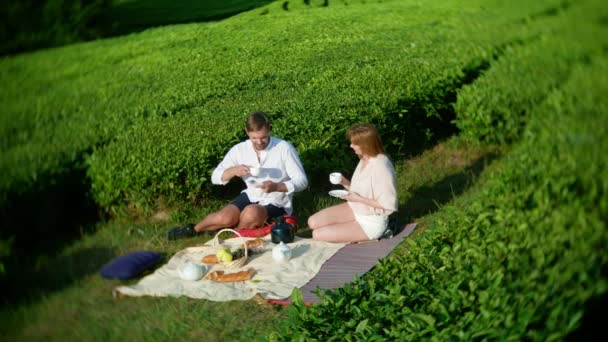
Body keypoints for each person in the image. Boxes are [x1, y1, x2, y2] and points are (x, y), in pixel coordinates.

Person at [168, 111, 308, 240]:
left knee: (251, 213)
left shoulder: (284, 148)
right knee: (224, 217)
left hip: (277, 200)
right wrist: (233, 171)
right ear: (246, 132)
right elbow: (215, 177)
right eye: (254, 138)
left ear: (269, 129)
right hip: (251, 194)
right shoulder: (239, 150)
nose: (259, 142)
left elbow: (302, 181)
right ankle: (193, 229)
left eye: (263, 137)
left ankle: (235, 238)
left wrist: (277, 186)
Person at [308, 123, 398, 243]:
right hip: (355, 208)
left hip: (371, 221)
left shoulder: (381, 166)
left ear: (365, 144)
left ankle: (385, 231)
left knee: (317, 234)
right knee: (312, 222)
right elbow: (361, 190)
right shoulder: (364, 159)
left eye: (355, 143)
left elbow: (388, 205)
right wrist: (344, 182)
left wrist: (358, 199)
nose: (351, 146)